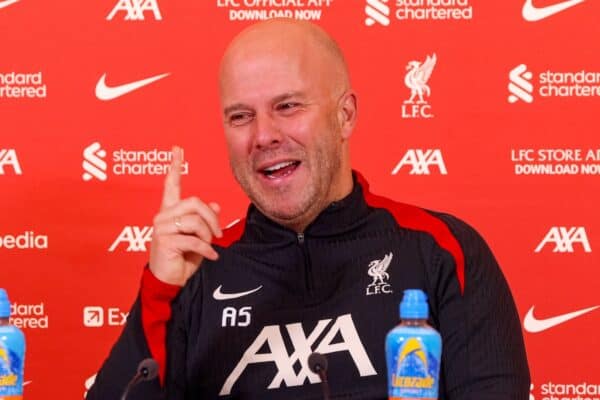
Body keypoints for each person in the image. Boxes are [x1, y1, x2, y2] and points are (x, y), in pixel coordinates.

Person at [87, 19, 530, 399]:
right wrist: (161, 288)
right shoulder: (196, 273)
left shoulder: (441, 251)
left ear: (346, 115)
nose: (263, 136)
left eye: (288, 106)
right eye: (241, 116)